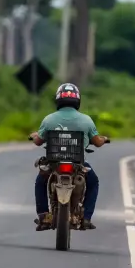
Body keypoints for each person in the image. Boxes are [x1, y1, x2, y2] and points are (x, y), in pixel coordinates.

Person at [29, 83, 109, 231]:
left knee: (41, 181)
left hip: (54, 164)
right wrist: (103, 139)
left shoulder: (48, 119)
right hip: (77, 164)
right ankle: (86, 218)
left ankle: (43, 216)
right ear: (78, 101)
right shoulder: (87, 120)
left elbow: (38, 141)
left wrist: (34, 136)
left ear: (58, 100)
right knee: (93, 182)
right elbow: (97, 142)